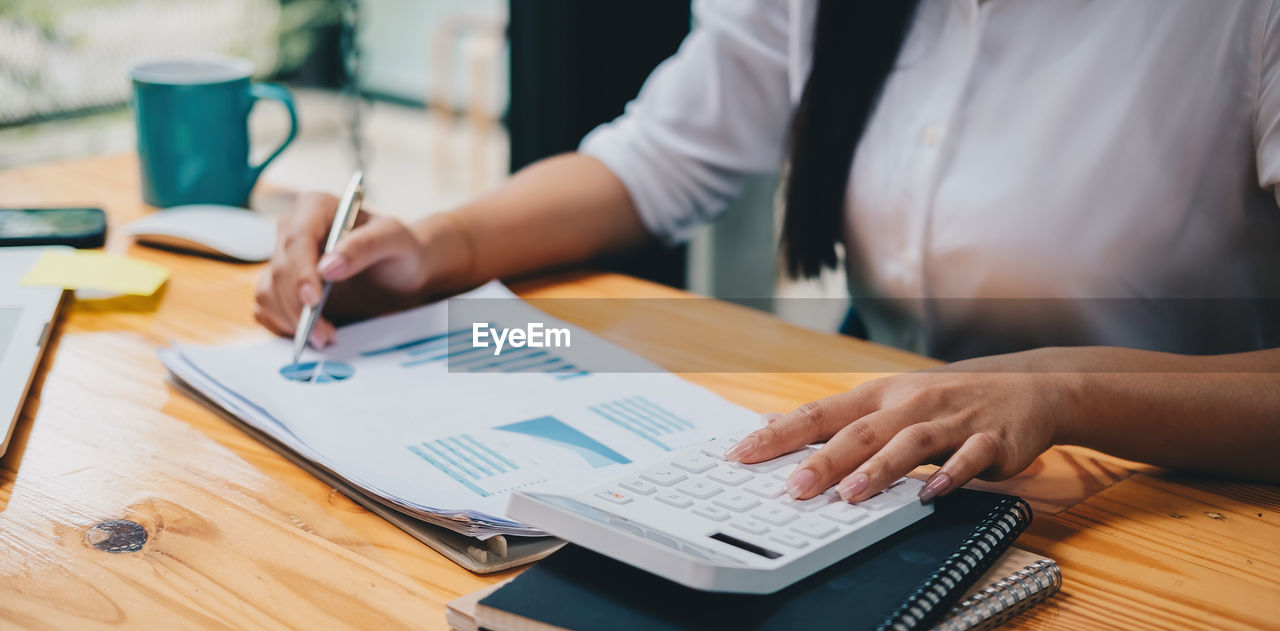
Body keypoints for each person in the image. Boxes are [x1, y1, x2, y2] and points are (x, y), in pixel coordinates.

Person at [255, 0, 1280, 506]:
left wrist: (1062, 391)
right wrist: (436, 245)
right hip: (898, 474)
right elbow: (659, 156)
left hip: (1179, 495)